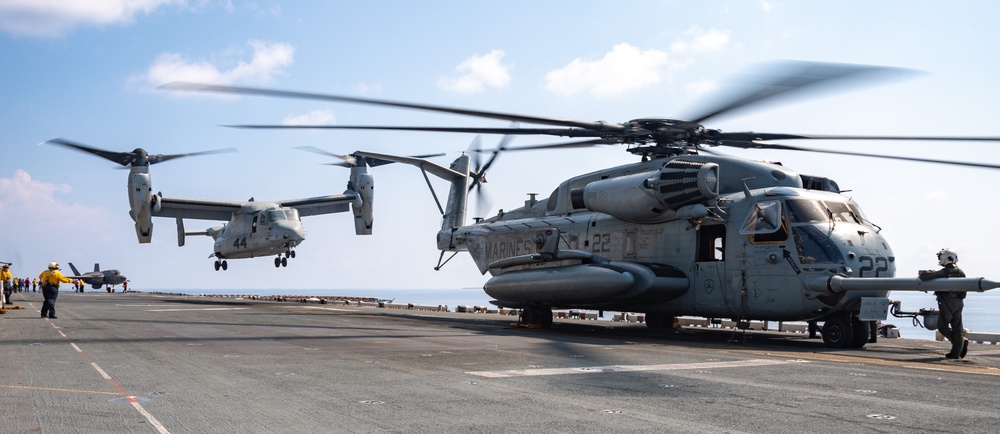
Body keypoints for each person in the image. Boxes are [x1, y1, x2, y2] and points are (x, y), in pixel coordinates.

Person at [919, 248, 968, 359]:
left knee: (942, 326)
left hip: (947, 302)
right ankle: (956, 351)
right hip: (959, 302)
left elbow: (924, 276)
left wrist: (929, 272)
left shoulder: (946, 272)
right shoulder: (960, 272)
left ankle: (959, 343)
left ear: (946, 258)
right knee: (957, 327)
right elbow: (964, 290)